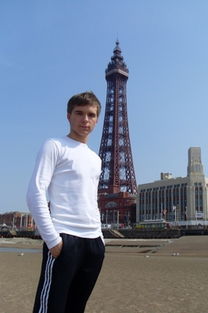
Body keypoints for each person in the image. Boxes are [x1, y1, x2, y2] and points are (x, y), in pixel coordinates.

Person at [27, 91, 105, 313]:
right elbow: (35, 192)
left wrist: (100, 238)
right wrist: (53, 240)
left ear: (97, 119)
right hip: (65, 238)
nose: (85, 120)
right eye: (79, 113)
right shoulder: (54, 145)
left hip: (93, 243)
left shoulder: (95, 159)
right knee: (51, 308)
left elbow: (91, 198)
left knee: (76, 308)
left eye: (91, 115)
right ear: (69, 116)